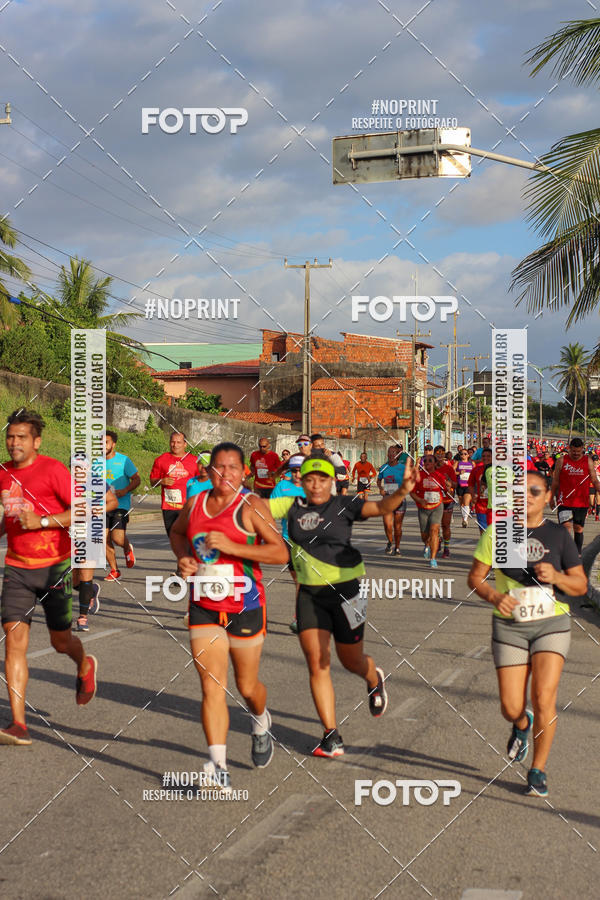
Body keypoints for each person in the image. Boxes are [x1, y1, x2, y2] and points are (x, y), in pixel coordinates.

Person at [269, 455, 417, 757]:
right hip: (310, 595)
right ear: (301, 481)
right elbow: (253, 509)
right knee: (317, 662)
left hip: (350, 592)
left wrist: (402, 492)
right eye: (309, 479)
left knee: (351, 659)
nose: (315, 484)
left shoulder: (344, 505)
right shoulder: (291, 507)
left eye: (322, 479)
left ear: (332, 481)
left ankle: (374, 677)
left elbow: (380, 507)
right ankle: (330, 734)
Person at [170, 442, 287, 788]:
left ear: (244, 472)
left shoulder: (252, 505)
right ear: (208, 472)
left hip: (246, 605)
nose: (225, 474)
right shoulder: (195, 504)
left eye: (233, 467)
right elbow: (177, 534)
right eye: (218, 467)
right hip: (203, 604)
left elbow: (280, 552)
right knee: (212, 686)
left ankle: (261, 718)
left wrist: (233, 546)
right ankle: (217, 765)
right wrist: (182, 559)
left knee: (247, 687)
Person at [467, 469, 587, 797]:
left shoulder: (559, 536)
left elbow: (580, 584)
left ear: (548, 497)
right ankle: (521, 725)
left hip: (552, 622)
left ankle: (538, 770)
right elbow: (476, 577)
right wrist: (494, 596)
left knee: (544, 696)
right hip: (510, 626)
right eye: (520, 491)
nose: (526, 496)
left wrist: (558, 578)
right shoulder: (498, 533)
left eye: (534, 491)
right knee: (510, 705)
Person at [0, 409, 98, 745]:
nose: (14, 443)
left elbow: (86, 509)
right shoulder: (3, 473)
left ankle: (84, 665)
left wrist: (42, 522)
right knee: (14, 643)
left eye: (21, 437)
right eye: (10, 436)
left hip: (54, 567)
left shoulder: (53, 470)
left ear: (36, 442)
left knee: (60, 642)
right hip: (16, 568)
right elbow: (12, 518)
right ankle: (18, 724)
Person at [72, 473, 119, 632]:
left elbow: (113, 502)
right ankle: (91, 591)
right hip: (72, 533)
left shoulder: (96, 482)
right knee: (74, 581)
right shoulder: (64, 483)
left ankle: (82, 618)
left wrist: (98, 508)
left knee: (85, 574)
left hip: (92, 532)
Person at [269, 454, 306, 633]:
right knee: (301, 580)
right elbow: (269, 513)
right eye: (294, 471)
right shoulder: (282, 487)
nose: (297, 475)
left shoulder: (313, 487)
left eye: (300, 471)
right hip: (289, 540)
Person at [549, 437, 600, 554]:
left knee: (578, 529)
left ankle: (577, 553)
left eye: (578, 451)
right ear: (569, 449)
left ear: (582, 449)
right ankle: (565, 553)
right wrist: (551, 497)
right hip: (564, 501)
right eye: (573, 451)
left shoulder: (588, 461)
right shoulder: (561, 461)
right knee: (565, 528)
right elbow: (555, 481)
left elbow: (594, 480)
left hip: (581, 501)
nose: (576, 454)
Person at [104, 430, 140, 581]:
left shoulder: (124, 460)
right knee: (102, 539)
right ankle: (114, 570)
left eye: (106, 442)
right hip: (102, 505)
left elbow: (137, 479)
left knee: (117, 538)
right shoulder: (95, 462)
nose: (102, 446)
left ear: (113, 444)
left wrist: (125, 490)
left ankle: (126, 547)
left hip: (120, 504)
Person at [150, 431, 197, 537]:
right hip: (169, 506)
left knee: (188, 538)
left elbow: (202, 480)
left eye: (178, 442)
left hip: (188, 507)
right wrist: (161, 481)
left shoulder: (194, 461)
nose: (175, 445)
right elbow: (152, 482)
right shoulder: (161, 460)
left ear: (185, 444)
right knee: (174, 539)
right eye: (172, 442)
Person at [411, 455, 451, 569]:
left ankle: (433, 558)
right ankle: (427, 544)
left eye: (430, 460)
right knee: (424, 534)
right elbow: (412, 492)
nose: (427, 462)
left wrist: (447, 487)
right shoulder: (419, 475)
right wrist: (419, 500)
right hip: (423, 508)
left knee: (434, 530)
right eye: (425, 461)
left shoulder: (439, 476)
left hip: (437, 507)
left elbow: (446, 491)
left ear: (434, 463)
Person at [377, 444, 409, 556]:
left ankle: (398, 547)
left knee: (397, 526)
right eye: (389, 452)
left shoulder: (403, 468)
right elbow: (378, 481)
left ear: (398, 455)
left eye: (394, 453)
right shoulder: (383, 467)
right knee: (387, 524)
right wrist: (381, 489)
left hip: (399, 499)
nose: (391, 455)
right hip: (387, 499)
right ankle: (390, 542)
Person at [434, 445, 457, 558]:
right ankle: (437, 540)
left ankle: (446, 548)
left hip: (447, 499)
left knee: (445, 525)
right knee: (434, 525)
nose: (439, 454)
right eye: (437, 452)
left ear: (444, 455)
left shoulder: (449, 468)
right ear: (434, 454)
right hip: (434, 500)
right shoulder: (430, 467)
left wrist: (449, 482)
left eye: (442, 453)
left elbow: (456, 484)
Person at [462, 448, 493, 532]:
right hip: (481, 506)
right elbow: (471, 484)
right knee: (484, 532)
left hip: (496, 506)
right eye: (483, 456)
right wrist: (473, 495)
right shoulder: (477, 469)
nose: (485, 458)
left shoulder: (499, 470)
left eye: (488, 456)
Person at [455, 448, 475, 528]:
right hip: (460, 485)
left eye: (465, 453)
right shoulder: (457, 463)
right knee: (462, 503)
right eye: (461, 454)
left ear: (468, 455)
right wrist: (459, 472)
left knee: (466, 502)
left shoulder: (471, 463)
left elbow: (476, 472)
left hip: (468, 485)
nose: (463, 455)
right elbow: (451, 471)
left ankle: (465, 520)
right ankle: (464, 517)